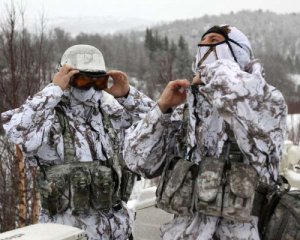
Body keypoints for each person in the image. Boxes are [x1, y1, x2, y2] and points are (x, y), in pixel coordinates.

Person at [123, 25, 287, 239]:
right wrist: (162, 109)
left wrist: (212, 73)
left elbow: (244, 97)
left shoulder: (266, 104)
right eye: (203, 43)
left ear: (237, 52)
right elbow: (138, 162)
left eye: (214, 41)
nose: (205, 48)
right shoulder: (186, 111)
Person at [1, 44, 153, 240]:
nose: (90, 88)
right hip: (70, 233)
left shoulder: (109, 113)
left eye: (97, 81)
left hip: (119, 230)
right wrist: (53, 90)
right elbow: (19, 132)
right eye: (82, 80)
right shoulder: (50, 118)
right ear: (67, 78)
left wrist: (127, 95)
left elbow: (158, 124)